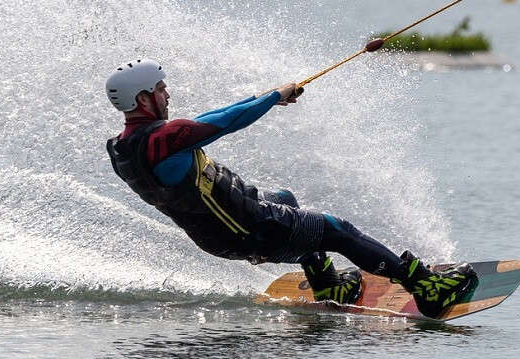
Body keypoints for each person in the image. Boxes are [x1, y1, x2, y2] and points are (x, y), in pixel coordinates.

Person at [104, 59, 476, 318]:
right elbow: (224, 123)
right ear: (143, 98)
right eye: (162, 89)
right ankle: (427, 288)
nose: (168, 95)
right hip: (251, 228)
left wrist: (268, 96)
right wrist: (273, 98)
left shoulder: (123, 148)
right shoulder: (166, 138)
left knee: (285, 199)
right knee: (335, 229)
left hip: (219, 233)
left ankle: (329, 285)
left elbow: (206, 121)